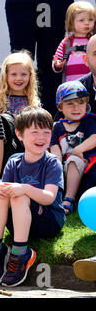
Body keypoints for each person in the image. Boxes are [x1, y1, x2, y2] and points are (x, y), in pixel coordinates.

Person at [0, 106, 65, 287]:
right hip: (19, 222)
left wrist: (25, 188)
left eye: (46, 132)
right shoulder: (14, 161)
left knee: (20, 194)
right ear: (19, 134)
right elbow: (4, 192)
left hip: (48, 222)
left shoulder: (52, 162)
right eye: (35, 132)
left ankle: (22, 253)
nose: (41, 138)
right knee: (2, 193)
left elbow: (48, 197)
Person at [5, 0, 74, 118]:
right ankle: (17, 116)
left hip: (55, 2)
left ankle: (50, 118)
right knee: (20, 60)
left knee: (52, 62)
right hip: (21, 3)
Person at [49, 80, 96, 215]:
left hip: (85, 165)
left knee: (73, 160)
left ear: (87, 104)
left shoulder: (89, 121)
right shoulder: (57, 126)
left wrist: (79, 149)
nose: (77, 108)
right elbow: (54, 147)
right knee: (52, 164)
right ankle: (53, 197)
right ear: (60, 107)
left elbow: (94, 138)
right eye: (70, 103)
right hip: (63, 167)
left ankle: (69, 199)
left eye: (81, 103)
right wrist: (55, 164)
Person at [52, 1, 96, 82]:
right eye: (81, 20)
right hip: (71, 85)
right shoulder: (66, 42)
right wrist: (57, 65)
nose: (86, 23)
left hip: (91, 84)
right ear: (72, 23)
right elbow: (57, 59)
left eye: (90, 20)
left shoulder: (93, 41)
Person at [0, 50, 41, 115]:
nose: (19, 78)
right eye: (14, 74)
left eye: (24, 74)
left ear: (30, 75)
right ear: (6, 76)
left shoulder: (33, 103)